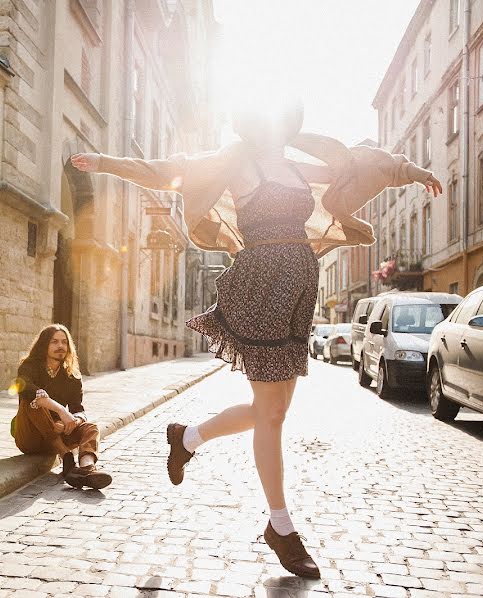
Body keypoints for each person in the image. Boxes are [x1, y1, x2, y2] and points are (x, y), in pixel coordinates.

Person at [70, 98, 441, 578]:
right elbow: (169, 170)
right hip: (261, 288)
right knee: (270, 415)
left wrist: (412, 170)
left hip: (298, 292)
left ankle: (188, 437)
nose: (278, 126)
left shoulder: (295, 164)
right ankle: (281, 529)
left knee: (274, 411)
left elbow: (362, 160)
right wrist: (105, 164)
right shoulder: (233, 162)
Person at [12, 324, 112, 490]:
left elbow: (79, 409)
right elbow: (25, 389)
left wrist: (71, 422)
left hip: (59, 432)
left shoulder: (72, 376)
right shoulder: (28, 367)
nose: (60, 346)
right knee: (34, 402)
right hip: (30, 437)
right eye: (54, 342)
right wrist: (61, 411)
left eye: (64, 342)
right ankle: (66, 459)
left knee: (91, 428)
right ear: (44, 345)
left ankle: (87, 469)